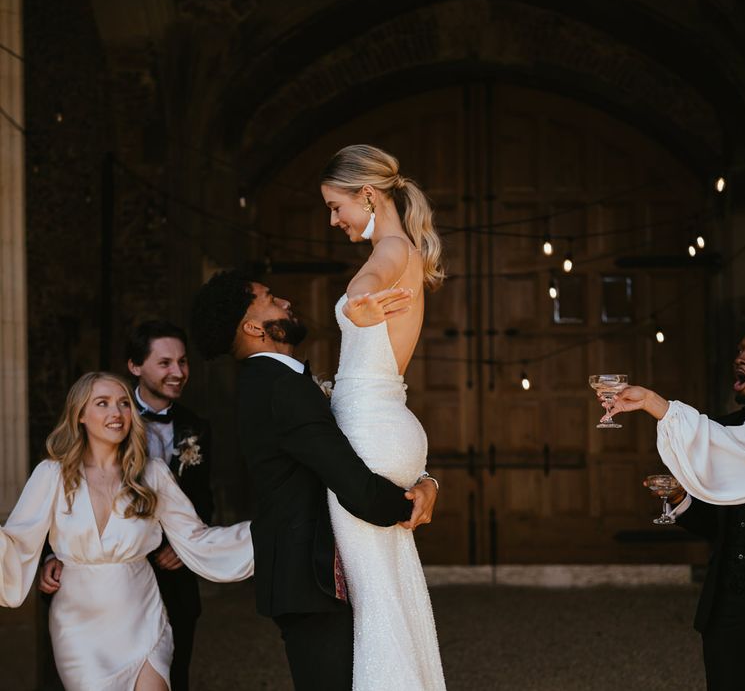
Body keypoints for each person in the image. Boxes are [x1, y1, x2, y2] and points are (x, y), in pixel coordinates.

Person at [189, 270, 438, 691]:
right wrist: (410, 503)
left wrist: (425, 479)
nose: (285, 302)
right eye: (269, 298)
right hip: (311, 580)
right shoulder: (280, 386)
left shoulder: (271, 383)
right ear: (253, 326)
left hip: (307, 578)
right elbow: (352, 482)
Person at [0, 372, 253, 690]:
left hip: (142, 616)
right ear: (80, 415)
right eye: (102, 403)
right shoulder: (52, 475)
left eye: (123, 403)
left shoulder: (152, 474)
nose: (116, 413)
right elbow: (17, 542)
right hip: (79, 626)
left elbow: (196, 538)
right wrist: (48, 558)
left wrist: (268, 532)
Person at [319, 144, 446, 690]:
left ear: (366, 194)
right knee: (393, 595)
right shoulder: (406, 249)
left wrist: (354, 304)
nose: (333, 220)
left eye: (335, 205)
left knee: (376, 606)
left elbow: (363, 287)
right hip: (390, 425)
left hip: (370, 433)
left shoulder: (390, 250)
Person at [40, 321, 213, 690]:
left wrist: (188, 547)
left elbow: (201, 507)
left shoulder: (192, 430)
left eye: (182, 362)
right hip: (83, 606)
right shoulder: (56, 471)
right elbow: (33, 526)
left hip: (154, 594)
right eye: (165, 362)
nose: (177, 372)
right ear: (135, 366)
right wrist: (53, 556)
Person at [598, 323, 745, 691]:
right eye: (741, 349)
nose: (741, 356)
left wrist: (653, 403)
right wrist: (679, 497)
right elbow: (716, 525)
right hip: (730, 607)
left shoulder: (720, 438)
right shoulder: (722, 432)